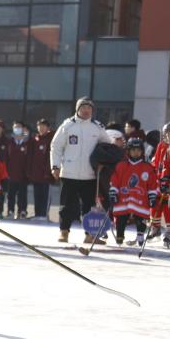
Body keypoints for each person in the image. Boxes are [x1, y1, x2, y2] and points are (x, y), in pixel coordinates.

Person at [50, 98, 106, 243]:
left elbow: (108, 146)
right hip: (69, 172)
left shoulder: (97, 127)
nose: (86, 110)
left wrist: (104, 163)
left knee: (89, 207)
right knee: (67, 205)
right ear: (77, 109)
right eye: (83, 107)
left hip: (90, 174)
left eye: (89, 108)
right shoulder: (67, 126)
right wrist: (55, 166)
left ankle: (90, 235)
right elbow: (56, 147)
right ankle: (64, 232)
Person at [108, 138, 157, 247]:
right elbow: (115, 181)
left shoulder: (147, 167)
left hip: (141, 199)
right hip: (123, 198)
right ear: (128, 151)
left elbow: (152, 184)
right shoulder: (121, 165)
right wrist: (113, 193)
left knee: (141, 218)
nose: (136, 152)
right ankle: (120, 235)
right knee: (121, 217)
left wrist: (152, 197)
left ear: (142, 152)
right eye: (133, 150)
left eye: (138, 150)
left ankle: (140, 235)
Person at [5, 121, 32, 219]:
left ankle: (22, 211)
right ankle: (10, 211)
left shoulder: (27, 141)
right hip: (11, 173)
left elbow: (29, 157)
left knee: (22, 195)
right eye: (15, 127)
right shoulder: (9, 141)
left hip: (23, 174)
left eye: (19, 127)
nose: (17, 129)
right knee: (10, 195)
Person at [28, 119, 54, 219]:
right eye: (39, 126)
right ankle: (38, 214)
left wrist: (49, 171)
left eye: (43, 126)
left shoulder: (51, 139)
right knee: (37, 196)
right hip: (36, 174)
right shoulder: (35, 140)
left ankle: (43, 215)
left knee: (45, 196)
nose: (41, 128)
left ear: (48, 128)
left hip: (46, 175)